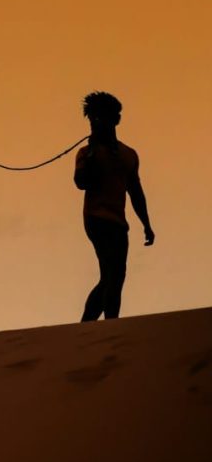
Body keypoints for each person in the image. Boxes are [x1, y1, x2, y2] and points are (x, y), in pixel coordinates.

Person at [73, 92, 155, 321]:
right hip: (96, 218)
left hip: (119, 221)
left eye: (100, 119)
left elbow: (135, 191)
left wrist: (146, 224)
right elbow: (81, 183)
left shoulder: (129, 155)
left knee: (114, 276)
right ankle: (106, 326)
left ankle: (95, 325)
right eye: (93, 120)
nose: (95, 125)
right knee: (113, 273)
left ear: (115, 119)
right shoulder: (85, 153)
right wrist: (90, 154)